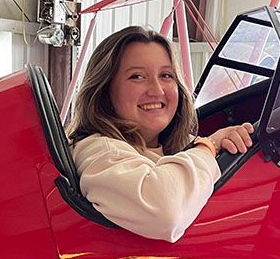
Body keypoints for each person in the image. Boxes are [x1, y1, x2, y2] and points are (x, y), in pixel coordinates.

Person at [67, 26, 254, 242]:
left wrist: (227, 143)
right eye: (137, 77)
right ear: (105, 91)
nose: (156, 89)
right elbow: (166, 212)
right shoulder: (99, 150)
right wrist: (209, 145)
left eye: (166, 75)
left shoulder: (164, 148)